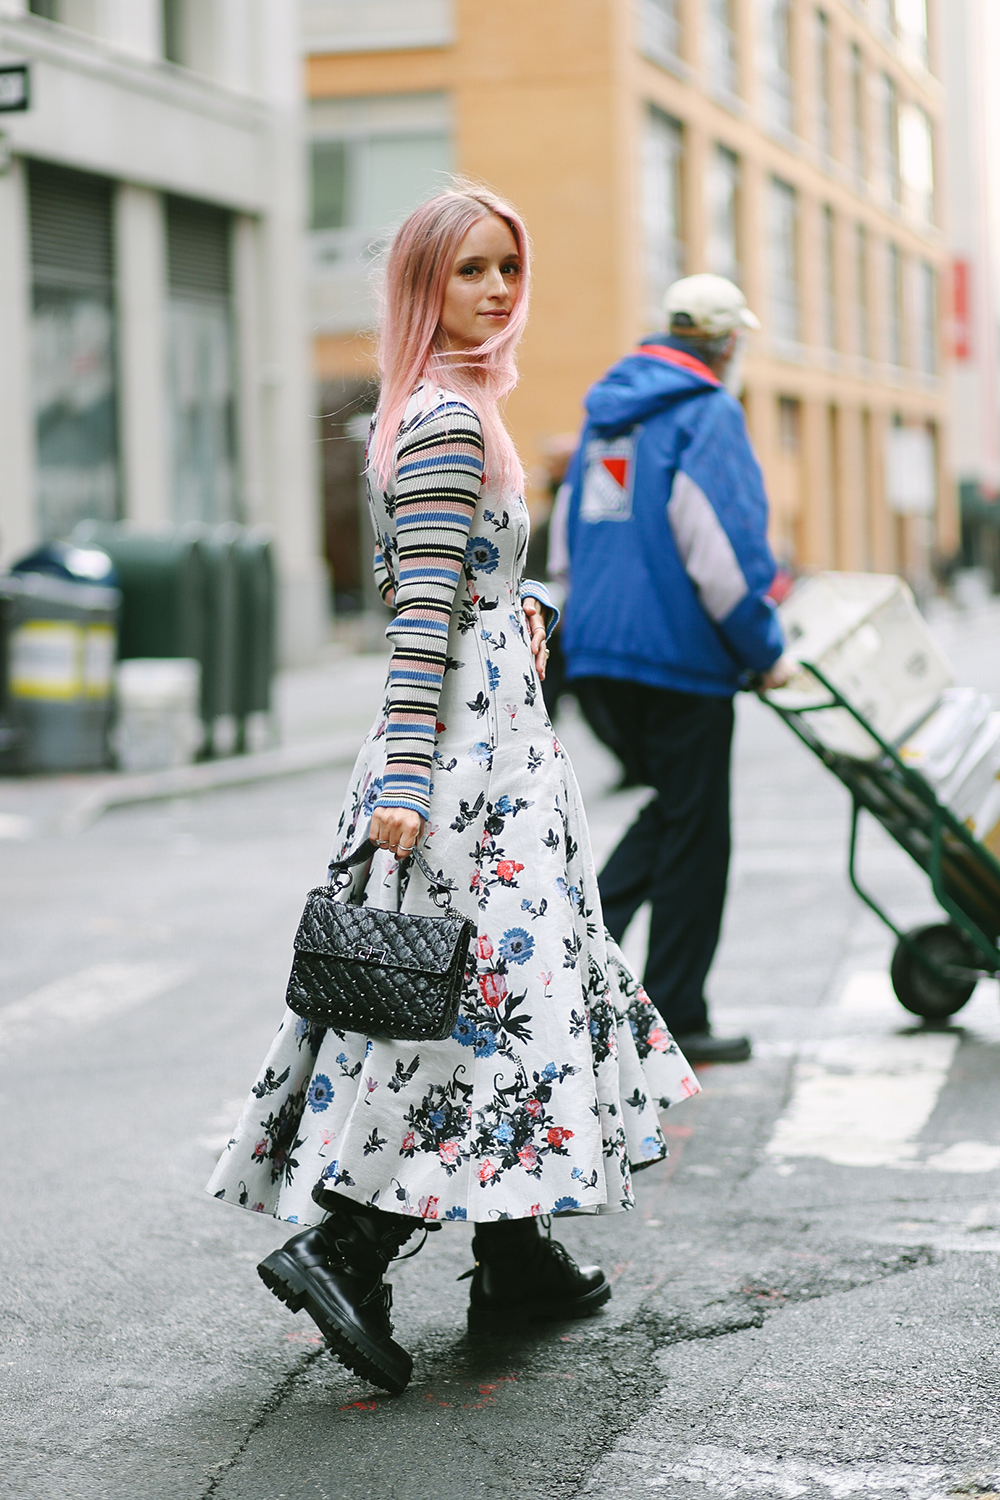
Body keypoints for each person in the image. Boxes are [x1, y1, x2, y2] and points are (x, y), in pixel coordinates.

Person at [207, 186, 700, 1396]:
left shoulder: (454, 411)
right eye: (469, 270)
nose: (494, 290)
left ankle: (517, 1253)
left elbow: (453, 584)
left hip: (493, 744)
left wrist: (517, 608)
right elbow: (420, 619)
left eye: (507, 269)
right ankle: (348, 1248)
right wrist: (413, 781)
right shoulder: (442, 422)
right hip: (463, 769)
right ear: (424, 287)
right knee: (476, 1010)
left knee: (504, 996)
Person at [557, 274, 794, 1067]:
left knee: (670, 812)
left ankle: (577, 956)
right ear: (726, 343)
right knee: (697, 834)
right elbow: (721, 549)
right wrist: (764, 650)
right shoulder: (707, 411)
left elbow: (568, 535)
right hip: (677, 659)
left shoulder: (607, 415)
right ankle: (676, 1012)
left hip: (595, 653)